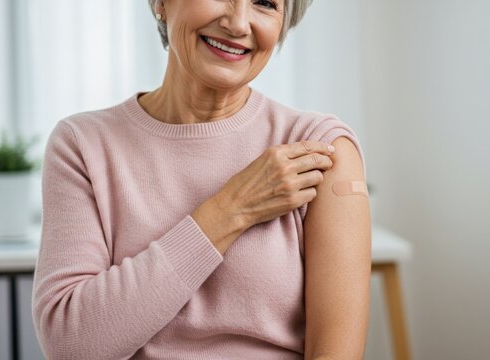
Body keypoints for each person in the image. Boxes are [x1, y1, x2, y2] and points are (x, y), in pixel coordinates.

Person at [31, 0, 371, 359]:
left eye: (266, 3)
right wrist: (231, 209)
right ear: (161, 3)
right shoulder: (82, 144)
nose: (239, 24)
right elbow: (70, 345)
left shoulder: (319, 148)